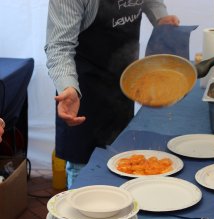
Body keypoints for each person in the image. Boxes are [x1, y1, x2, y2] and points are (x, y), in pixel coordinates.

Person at [45, 0, 180, 188]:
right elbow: (58, 46)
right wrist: (67, 87)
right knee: (85, 175)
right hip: (82, 93)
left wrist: (161, 17)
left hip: (124, 84)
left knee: (124, 162)